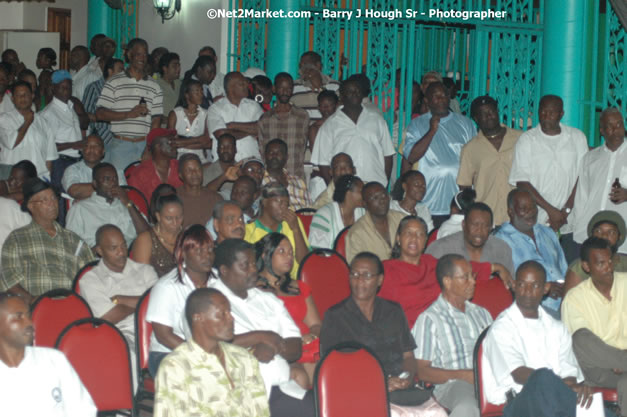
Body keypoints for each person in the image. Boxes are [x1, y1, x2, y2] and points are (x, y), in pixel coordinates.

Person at [321, 252, 447, 416]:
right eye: (354, 274)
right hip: (358, 390)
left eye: (366, 275)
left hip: (398, 389)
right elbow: (332, 369)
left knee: (437, 413)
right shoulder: (335, 315)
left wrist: (407, 378)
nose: (359, 280)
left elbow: (408, 356)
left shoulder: (393, 311)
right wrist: (379, 383)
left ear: (380, 280)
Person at [209, 239, 315, 417]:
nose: (253, 270)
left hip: (276, 386)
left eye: (253, 263)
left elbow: (295, 346)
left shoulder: (269, 299)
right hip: (233, 390)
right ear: (224, 270)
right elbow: (209, 345)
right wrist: (261, 337)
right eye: (245, 265)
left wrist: (273, 346)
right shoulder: (208, 301)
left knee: (312, 407)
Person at [482, 261, 597, 417]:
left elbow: (569, 374)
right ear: (514, 285)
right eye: (522, 284)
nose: (528, 291)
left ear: (545, 289)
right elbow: (519, 374)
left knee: (589, 400)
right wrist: (560, 386)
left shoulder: (557, 328)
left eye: (535, 286)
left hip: (556, 399)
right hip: (520, 404)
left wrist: (575, 388)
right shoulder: (501, 328)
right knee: (542, 378)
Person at [153, 288, 270, 416]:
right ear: (198, 318)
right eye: (222, 314)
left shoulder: (243, 358)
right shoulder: (176, 366)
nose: (231, 319)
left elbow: (261, 409)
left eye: (229, 312)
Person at [509, 95, 588, 261]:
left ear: (561, 114)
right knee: (539, 269)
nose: (546, 116)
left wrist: (565, 211)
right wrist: (552, 211)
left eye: (551, 113)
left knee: (569, 270)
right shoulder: (527, 140)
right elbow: (521, 181)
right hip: (537, 221)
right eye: (542, 111)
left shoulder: (577, 137)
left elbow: (583, 176)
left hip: (570, 220)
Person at [412, 254, 493, 417]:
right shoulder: (430, 319)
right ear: (447, 282)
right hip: (454, 384)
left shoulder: (482, 314)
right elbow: (421, 371)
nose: (473, 282)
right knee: (468, 407)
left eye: (473, 276)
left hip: (489, 380)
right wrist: (464, 375)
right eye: (465, 277)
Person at [79, 224, 157, 381]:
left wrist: (120, 300)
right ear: (100, 251)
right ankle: (129, 403)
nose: (121, 252)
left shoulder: (145, 271)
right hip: (120, 334)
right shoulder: (90, 280)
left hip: (154, 329)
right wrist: (142, 304)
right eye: (113, 248)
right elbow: (108, 317)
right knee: (127, 354)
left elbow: (157, 303)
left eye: (123, 245)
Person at [0, 292, 97, 416]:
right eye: (18, 317)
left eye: (29, 315)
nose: (29, 323)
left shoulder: (54, 359)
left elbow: (84, 410)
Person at [0, 179, 94, 304]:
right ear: (31, 206)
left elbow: (91, 277)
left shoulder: (75, 240)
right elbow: (9, 280)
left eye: (54, 198)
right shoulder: (17, 239)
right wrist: (34, 301)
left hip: (73, 306)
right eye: (44, 200)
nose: (52, 203)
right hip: (36, 307)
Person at [562, 237, 627, 416]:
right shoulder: (575, 298)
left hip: (623, 372)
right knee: (580, 338)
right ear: (586, 267)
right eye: (600, 263)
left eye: (609, 261)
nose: (608, 267)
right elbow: (581, 346)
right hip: (598, 370)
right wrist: (617, 360)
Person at [404, 82, 476, 227]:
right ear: (427, 101)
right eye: (436, 96)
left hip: (457, 202)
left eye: (444, 95)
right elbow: (411, 157)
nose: (441, 99)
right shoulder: (417, 124)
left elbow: (474, 160)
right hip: (428, 202)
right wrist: (432, 130)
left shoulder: (466, 124)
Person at [146, 224, 215, 376]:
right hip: (169, 353)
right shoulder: (167, 287)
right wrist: (197, 355)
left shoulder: (218, 280)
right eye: (199, 251)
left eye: (210, 249)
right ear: (183, 253)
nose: (207, 256)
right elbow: (163, 336)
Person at [256, 233, 322, 386]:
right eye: (282, 251)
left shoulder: (299, 287)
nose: (289, 257)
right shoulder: (255, 289)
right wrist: (297, 340)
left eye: (291, 253)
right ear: (266, 254)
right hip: (284, 348)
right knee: (307, 369)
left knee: (324, 364)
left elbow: (316, 325)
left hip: (308, 346)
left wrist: (311, 336)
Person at [495, 188, 567, 317]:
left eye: (533, 207)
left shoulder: (548, 233)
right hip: (530, 310)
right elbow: (504, 282)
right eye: (523, 208)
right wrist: (542, 288)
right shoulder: (501, 239)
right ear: (511, 212)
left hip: (564, 306)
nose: (530, 212)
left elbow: (564, 269)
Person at [311, 76, 395, 185]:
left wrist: (385, 182)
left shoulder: (377, 119)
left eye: (357, 91)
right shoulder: (330, 125)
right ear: (342, 96)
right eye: (350, 91)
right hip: (345, 189)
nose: (355, 94)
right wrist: (333, 189)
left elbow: (388, 154)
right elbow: (323, 162)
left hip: (374, 184)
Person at [96, 38, 164, 170]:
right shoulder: (114, 82)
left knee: (142, 188)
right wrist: (128, 114)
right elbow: (100, 114)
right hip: (121, 144)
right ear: (129, 55)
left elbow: (156, 120)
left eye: (145, 54)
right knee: (119, 186)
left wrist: (149, 148)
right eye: (138, 54)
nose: (142, 58)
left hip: (144, 145)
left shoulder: (154, 86)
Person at [457, 95, 522, 225]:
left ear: (497, 112)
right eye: (483, 114)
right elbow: (464, 185)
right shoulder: (470, 148)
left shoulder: (520, 139)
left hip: (519, 214)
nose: (489, 116)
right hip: (488, 218)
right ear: (476, 119)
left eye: (491, 111)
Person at [572, 108, 627, 255]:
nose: (616, 130)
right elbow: (581, 198)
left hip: (623, 243)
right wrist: (577, 227)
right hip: (589, 238)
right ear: (602, 130)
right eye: (610, 126)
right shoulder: (590, 158)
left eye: (619, 125)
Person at [426, 202, 514, 284]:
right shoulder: (440, 249)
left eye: (485, 226)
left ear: (491, 228)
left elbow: (510, 285)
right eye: (475, 225)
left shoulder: (502, 249)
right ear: (464, 225)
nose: (479, 231)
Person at [66, 163, 149, 248]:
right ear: (95, 184)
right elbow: (70, 246)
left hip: (131, 257)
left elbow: (147, 234)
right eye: (107, 179)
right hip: (96, 258)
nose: (113, 183)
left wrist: (128, 203)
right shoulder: (79, 209)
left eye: (115, 179)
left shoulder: (127, 205)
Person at [379, 216, 441, 328]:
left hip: (437, 329)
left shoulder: (432, 263)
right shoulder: (385, 270)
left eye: (419, 234)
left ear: (425, 241)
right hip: (403, 334)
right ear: (398, 238)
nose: (414, 238)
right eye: (408, 233)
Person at [244, 183, 309, 279]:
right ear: (264, 202)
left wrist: (295, 229)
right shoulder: (248, 230)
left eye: (286, 204)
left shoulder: (293, 222)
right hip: (264, 284)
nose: (284, 208)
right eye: (279, 202)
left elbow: (305, 261)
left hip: (294, 282)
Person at [0, 81, 58, 180]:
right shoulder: (4, 119)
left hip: (38, 176)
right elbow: (11, 143)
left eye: (26, 94)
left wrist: (47, 179)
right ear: (12, 99)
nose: (23, 98)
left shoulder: (43, 122)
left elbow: (49, 157)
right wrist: (27, 122)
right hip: (12, 177)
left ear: (32, 96)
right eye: (18, 95)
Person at [258, 72, 309, 179]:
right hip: (271, 178)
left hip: (296, 177)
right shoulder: (265, 119)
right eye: (281, 88)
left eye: (289, 88)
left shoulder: (302, 116)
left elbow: (303, 146)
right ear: (274, 89)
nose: (285, 92)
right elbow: (262, 150)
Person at [564, 210, 627, 295]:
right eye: (599, 231)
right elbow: (569, 304)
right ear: (592, 235)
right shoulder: (579, 267)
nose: (604, 236)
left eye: (611, 232)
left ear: (619, 237)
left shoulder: (624, 263)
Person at [208, 71, 263, 161]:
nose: (246, 86)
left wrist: (232, 125)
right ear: (230, 88)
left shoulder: (253, 106)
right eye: (242, 84)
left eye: (246, 83)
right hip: (225, 164)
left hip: (252, 162)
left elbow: (261, 128)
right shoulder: (216, 108)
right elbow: (221, 135)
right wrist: (250, 132)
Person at [345, 181, 405, 263]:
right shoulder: (356, 234)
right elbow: (357, 269)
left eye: (384, 195)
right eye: (375, 198)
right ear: (365, 204)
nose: (382, 201)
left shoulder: (402, 219)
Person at [132, 193, 183, 277]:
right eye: (169, 218)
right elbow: (143, 278)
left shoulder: (187, 237)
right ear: (158, 216)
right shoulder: (145, 240)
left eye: (179, 217)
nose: (175, 222)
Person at [62, 135, 126, 201]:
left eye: (96, 146)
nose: (92, 149)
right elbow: (74, 191)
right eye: (87, 146)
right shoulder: (72, 170)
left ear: (103, 151)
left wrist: (84, 196)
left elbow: (122, 193)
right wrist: (108, 187)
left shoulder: (115, 170)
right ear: (82, 150)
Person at [309, 174, 365, 249]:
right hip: (329, 259)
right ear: (348, 193)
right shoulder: (324, 215)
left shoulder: (362, 212)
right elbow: (318, 252)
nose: (365, 195)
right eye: (361, 191)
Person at [127, 128, 183, 202]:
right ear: (158, 147)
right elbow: (137, 204)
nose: (175, 145)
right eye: (170, 142)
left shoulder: (181, 167)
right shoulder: (139, 174)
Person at [82, 58, 125, 151]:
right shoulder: (94, 88)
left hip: (120, 140)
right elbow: (85, 115)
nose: (124, 74)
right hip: (102, 139)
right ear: (110, 71)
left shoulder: (122, 90)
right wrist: (103, 116)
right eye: (120, 70)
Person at [167, 79, 211, 163]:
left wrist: (181, 142)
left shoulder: (205, 114)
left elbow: (208, 143)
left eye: (202, 91)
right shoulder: (175, 114)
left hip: (200, 159)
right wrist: (199, 140)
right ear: (187, 95)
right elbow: (171, 143)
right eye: (197, 92)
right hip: (179, 159)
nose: (201, 95)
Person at [262, 139, 310, 210]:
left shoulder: (298, 181)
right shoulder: (260, 181)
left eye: (279, 153)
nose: (274, 156)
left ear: (286, 157)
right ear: (265, 156)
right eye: (271, 152)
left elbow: (309, 208)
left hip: (302, 219)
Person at [176, 153, 223, 227]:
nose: (194, 173)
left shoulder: (215, 198)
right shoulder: (174, 198)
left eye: (198, 169)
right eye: (189, 170)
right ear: (180, 175)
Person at [291, 51, 340, 120]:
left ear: (318, 65)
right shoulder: (293, 86)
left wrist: (320, 87)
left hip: (328, 129)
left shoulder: (335, 86)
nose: (301, 68)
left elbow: (339, 110)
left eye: (305, 64)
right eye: (300, 65)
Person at [203, 133, 240, 197]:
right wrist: (223, 177)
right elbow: (204, 195)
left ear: (235, 149)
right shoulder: (208, 171)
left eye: (229, 147)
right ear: (217, 150)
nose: (225, 150)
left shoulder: (241, 170)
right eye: (222, 147)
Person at [155, 52, 181, 119]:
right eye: (174, 66)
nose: (178, 69)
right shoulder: (156, 84)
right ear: (165, 68)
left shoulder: (179, 83)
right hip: (162, 126)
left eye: (179, 65)